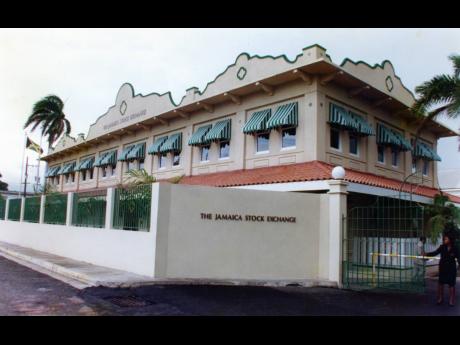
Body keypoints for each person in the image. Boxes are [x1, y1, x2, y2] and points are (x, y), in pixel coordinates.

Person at [423, 232, 460, 306]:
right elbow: (435, 252)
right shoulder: (442, 247)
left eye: (446, 239)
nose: (444, 240)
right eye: (444, 239)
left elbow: (459, 258)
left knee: (451, 284)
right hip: (443, 267)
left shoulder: (455, 248)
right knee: (440, 283)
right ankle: (440, 298)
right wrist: (426, 254)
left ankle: (451, 300)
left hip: (451, 268)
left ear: (450, 240)